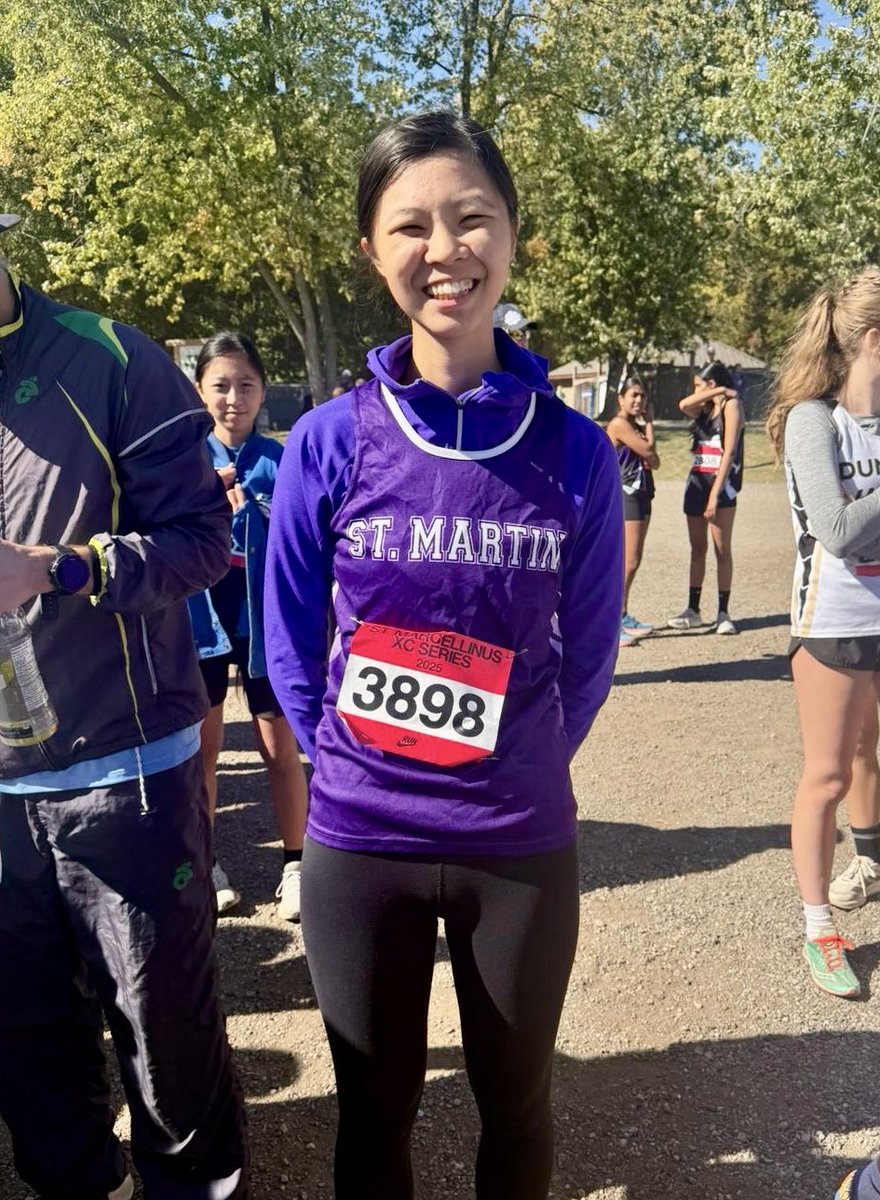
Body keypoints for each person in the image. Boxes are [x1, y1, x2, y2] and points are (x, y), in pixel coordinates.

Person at [264, 111, 623, 1200]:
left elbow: (595, 649)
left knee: (516, 1108)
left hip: (515, 845)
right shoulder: (329, 441)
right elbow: (287, 637)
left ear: (511, 237)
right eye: (410, 225)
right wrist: (352, 770)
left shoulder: (574, 450)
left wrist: (514, 768)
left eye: (471, 219)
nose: (444, 250)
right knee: (373, 1115)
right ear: (373, 250)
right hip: (359, 842)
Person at [0, 217, 248, 1197]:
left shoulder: (105, 356)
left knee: (166, 1047)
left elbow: (201, 539)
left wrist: (59, 569)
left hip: (124, 772)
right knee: (30, 1059)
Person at [766, 267, 880, 1015]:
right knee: (829, 775)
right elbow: (838, 533)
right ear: (874, 339)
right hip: (832, 623)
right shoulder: (813, 419)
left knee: (875, 756)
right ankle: (818, 928)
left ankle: (868, 866)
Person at [188, 331, 309, 919]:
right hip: (202, 619)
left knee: (278, 749)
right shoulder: (183, 462)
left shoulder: (282, 459)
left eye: (246, 385)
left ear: (263, 393)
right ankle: (207, 865)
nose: (233, 397)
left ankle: (297, 865)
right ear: (199, 390)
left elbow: (309, 537)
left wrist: (260, 510)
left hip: (265, 620)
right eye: (220, 385)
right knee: (205, 753)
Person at [668, 360, 744, 634]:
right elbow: (683, 405)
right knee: (697, 548)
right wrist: (716, 390)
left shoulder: (731, 407)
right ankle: (693, 609)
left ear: (710, 384)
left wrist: (714, 496)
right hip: (696, 484)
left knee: (722, 550)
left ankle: (723, 613)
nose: (696, 391)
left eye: (700, 384)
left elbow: (730, 453)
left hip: (720, 486)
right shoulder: (704, 408)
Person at [605, 375, 659, 647]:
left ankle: (623, 615)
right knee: (629, 561)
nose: (638, 400)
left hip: (642, 493)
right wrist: (650, 423)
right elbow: (648, 449)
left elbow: (655, 461)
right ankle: (612, 622)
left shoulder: (635, 427)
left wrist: (645, 429)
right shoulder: (619, 424)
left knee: (634, 560)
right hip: (627, 495)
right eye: (633, 395)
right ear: (621, 399)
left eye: (642, 396)